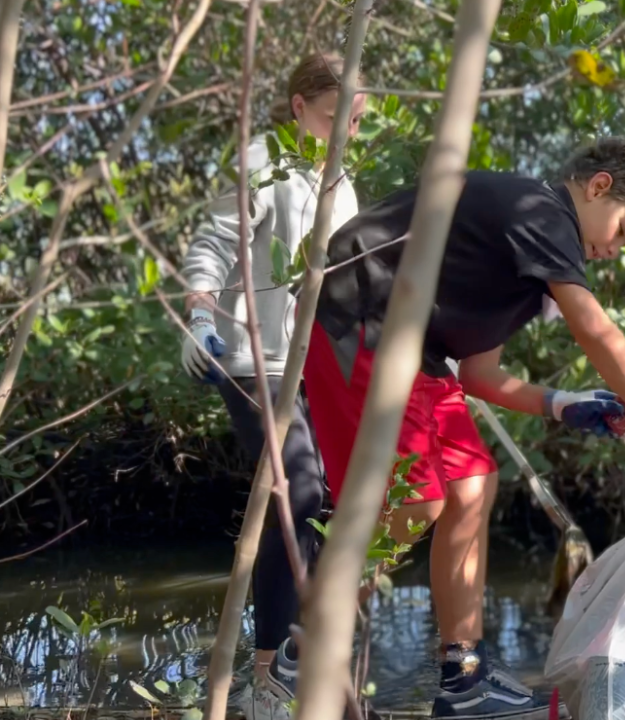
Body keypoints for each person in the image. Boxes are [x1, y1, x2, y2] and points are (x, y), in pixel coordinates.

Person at [259, 136, 625, 718]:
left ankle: (464, 678)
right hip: (354, 317)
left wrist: (562, 403)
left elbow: (479, 374)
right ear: (599, 187)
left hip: (413, 346)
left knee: (473, 483)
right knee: (415, 498)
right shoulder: (542, 213)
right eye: (622, 232)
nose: (613, 252)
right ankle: (304, 652)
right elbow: (599, 333)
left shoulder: (524, 258)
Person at [178, 51, 366, 720]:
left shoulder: (341, 180)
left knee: (326, 502)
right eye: (331, 115)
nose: (343, 128)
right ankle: (273, 681)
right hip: (252, 359)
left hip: (319, 367)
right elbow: (212, 242)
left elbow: (356, 276)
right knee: (299, 486)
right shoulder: (261, 161)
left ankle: (292, 664)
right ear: (299, 108)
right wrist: (199, 316)